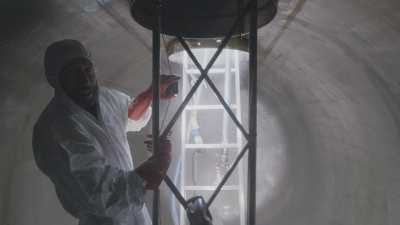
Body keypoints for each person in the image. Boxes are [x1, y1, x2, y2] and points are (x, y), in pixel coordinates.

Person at [32, 39, 176, 225]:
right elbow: (105, 196)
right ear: (56, 80)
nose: (84, 79)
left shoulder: (103, 97)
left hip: (136, 215)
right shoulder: (57, 128)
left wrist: (150, 94)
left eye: (87, 69)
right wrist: (162, 158)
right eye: (73, 73)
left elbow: (128, 115)